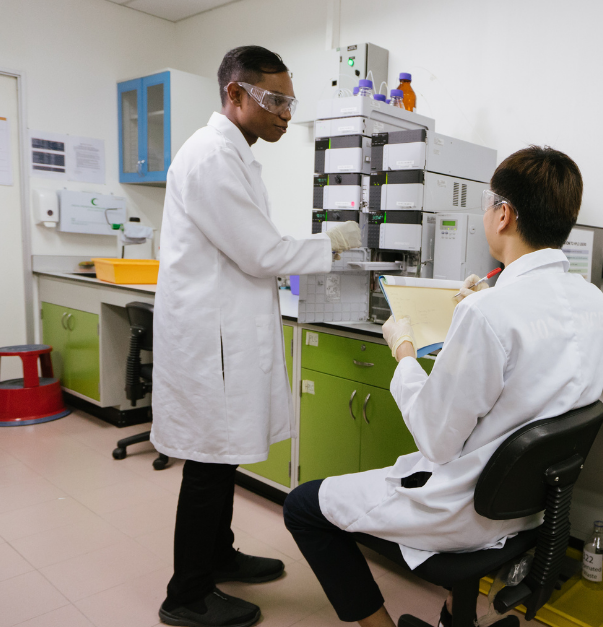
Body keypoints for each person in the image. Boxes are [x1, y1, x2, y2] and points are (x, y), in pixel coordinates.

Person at [283, 146, 603, 627]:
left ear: (503, 214)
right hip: (536, 507)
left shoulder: (489, 313)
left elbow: (435, 441)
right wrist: (486, 304)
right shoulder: (591, 300)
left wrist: (404, 352)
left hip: (467, 507)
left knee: (302, 506)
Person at [151, 46, 362, 627]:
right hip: (210, 340)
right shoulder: (211, 156)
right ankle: (186, 594)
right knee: (208, 463)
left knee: (222, 459)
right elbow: (261, 252)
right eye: (274, 100)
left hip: (225, 333)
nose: (285, 114)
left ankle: (217, 555)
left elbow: (252, 248)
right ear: (235, 95)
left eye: (290, 101)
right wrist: (334, 242)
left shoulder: (236, 155)